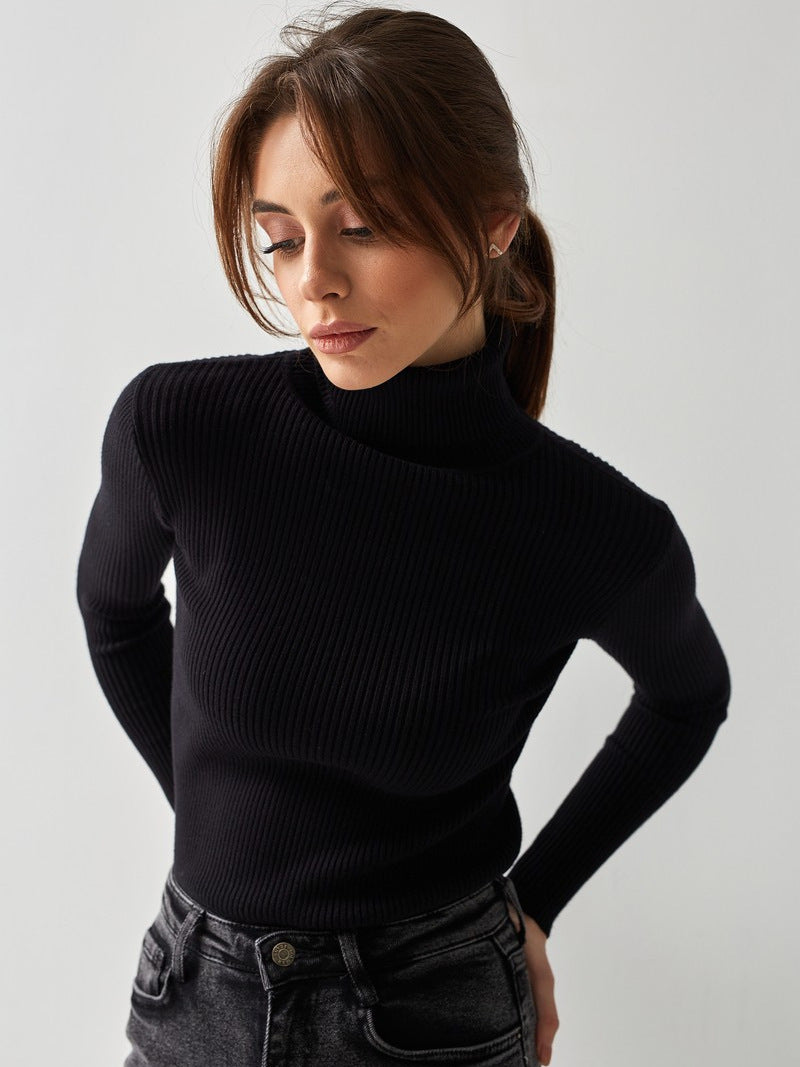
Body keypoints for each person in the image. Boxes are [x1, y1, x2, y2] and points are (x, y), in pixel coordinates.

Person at [75, 4, 731, 1065]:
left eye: (363, 226)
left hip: (435, 1010)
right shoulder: (182, 431)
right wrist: (213, 824)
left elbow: (686, 696)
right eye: (281, 237)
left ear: (493, 221)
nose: (313, 281)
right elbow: (112, 612)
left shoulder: (587, 524)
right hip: (195, 995)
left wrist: (535, 899)